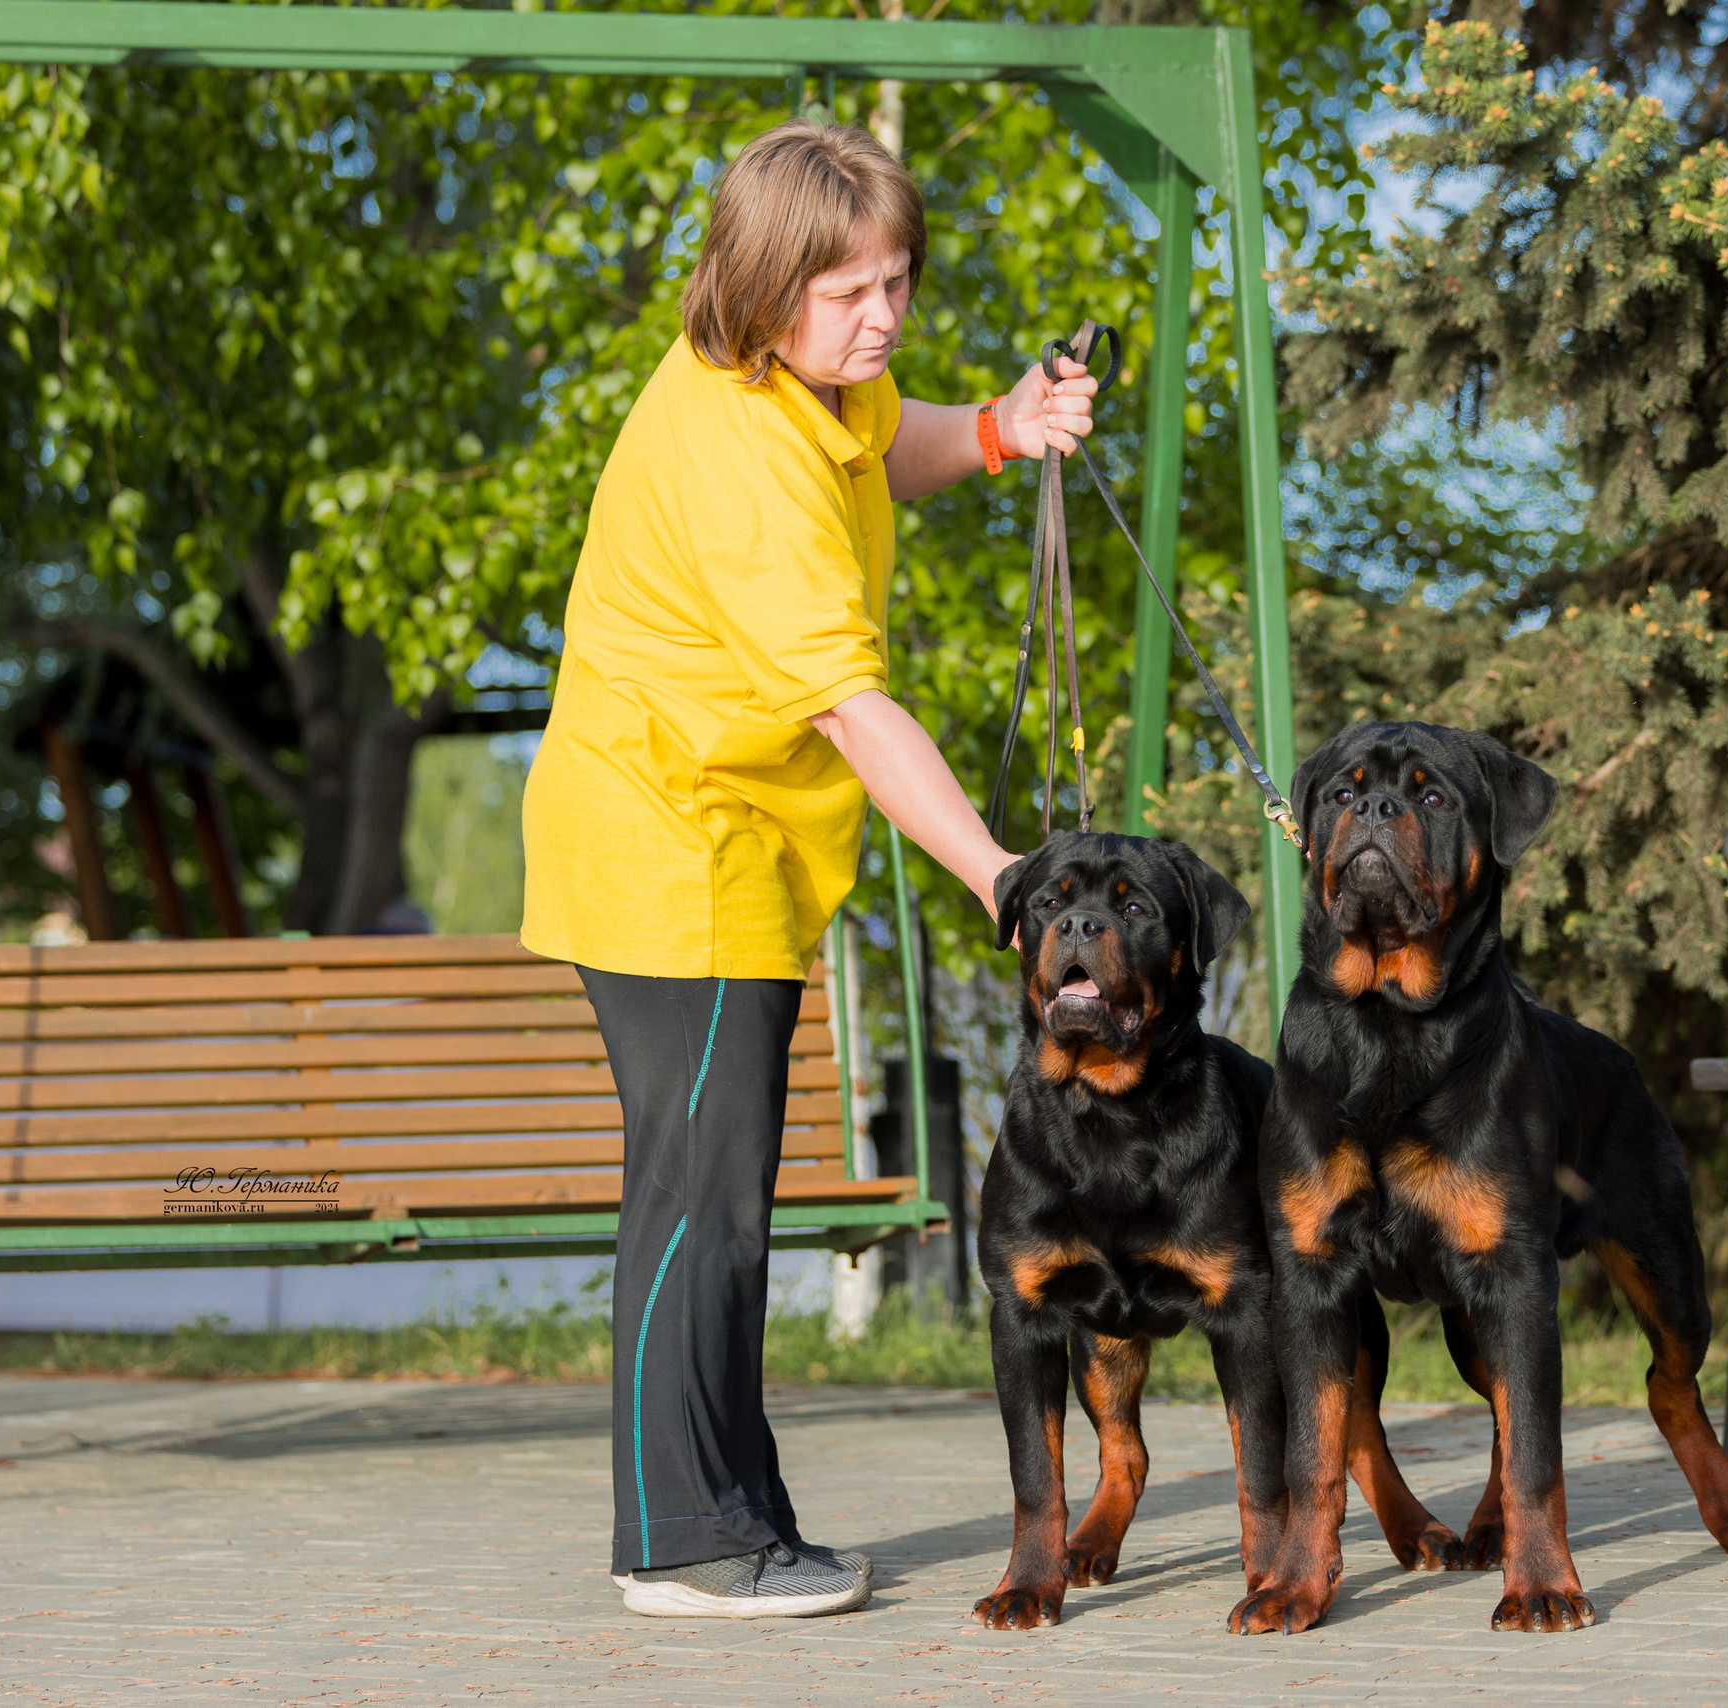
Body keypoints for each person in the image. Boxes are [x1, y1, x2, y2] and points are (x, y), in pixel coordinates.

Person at [518, 122, 1093, 1621]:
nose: (883, 318)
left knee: (721, 1196)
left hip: (726, 840)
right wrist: (995, 870)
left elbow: (887, 439)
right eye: (849, 293)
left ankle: (733, 1514)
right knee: (700, 1200)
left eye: (897, 281)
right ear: (769, 282)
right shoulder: (737, 461)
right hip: (676, 847)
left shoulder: (806, 382)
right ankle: (687, 1547)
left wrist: (997, 425)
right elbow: (851, 705)